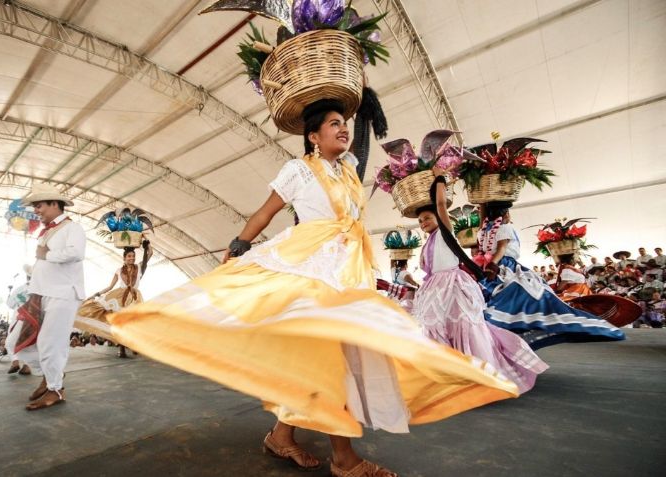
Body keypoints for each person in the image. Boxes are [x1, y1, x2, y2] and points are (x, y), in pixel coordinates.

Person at [109, 100, 518, 477]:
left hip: (348, 270)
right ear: (313, 135)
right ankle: (344, 459)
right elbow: (266, 211)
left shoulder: (350, 170)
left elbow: (357, 188)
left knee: (327, 353)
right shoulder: (299, 170)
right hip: (311, 267)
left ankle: (281, 437)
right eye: (334, 124)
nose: (343, 129)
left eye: (346, 124)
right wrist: (238, 246)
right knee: (332, 353)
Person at [411, 168, 547, 393]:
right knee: (436, 328)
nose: (422, 222)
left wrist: (439, 179)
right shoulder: (428, 243)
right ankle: (447, 374)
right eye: (420, 220)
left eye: (426, 217)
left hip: (453, 286)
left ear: (438, 216)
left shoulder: (446, 232)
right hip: (434, 290)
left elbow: (442, 205)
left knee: (463, 326)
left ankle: (478, 375)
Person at [474, 202, 624, 349]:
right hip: (503, 265)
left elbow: (484, 231)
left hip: (486, 265)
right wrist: (492, 266)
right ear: (506, 214)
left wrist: (481, 206)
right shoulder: (505, 227)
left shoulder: (484, 229)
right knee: (538, 296)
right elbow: (501, 249)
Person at [14, 184, 86, 411]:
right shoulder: (47, 231)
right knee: (17, 341)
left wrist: (47, 255)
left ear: (55, 204)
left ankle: (55, 389)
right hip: (43, 294)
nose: (36, 210)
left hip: (63, 293)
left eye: (39, 205)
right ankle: (49, 376)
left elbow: (76, 253)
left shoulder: (72, 228)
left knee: (50, 343)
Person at [77, 240, 153, 358]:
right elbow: (110, 286)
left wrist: (147, 245)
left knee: (133, 322)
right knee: (120, 324)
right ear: (124, 258)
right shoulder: (119, 271)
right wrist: (96, 294)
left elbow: (150, 254)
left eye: (133, 256)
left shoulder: (139, 267)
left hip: (134, 297)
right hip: (119, 297)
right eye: (129, 256)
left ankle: (133, 344)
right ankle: (122, 348)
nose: (131, 258)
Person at [5, 265, 33, 375]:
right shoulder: (41, 290)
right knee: (29, 343)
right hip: (35, 321)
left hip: (20, 318)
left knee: (10, 343)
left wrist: (9, 295)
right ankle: (27, 365)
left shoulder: (19, 289)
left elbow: (10, 304)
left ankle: (15, 362)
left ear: (27, 276)